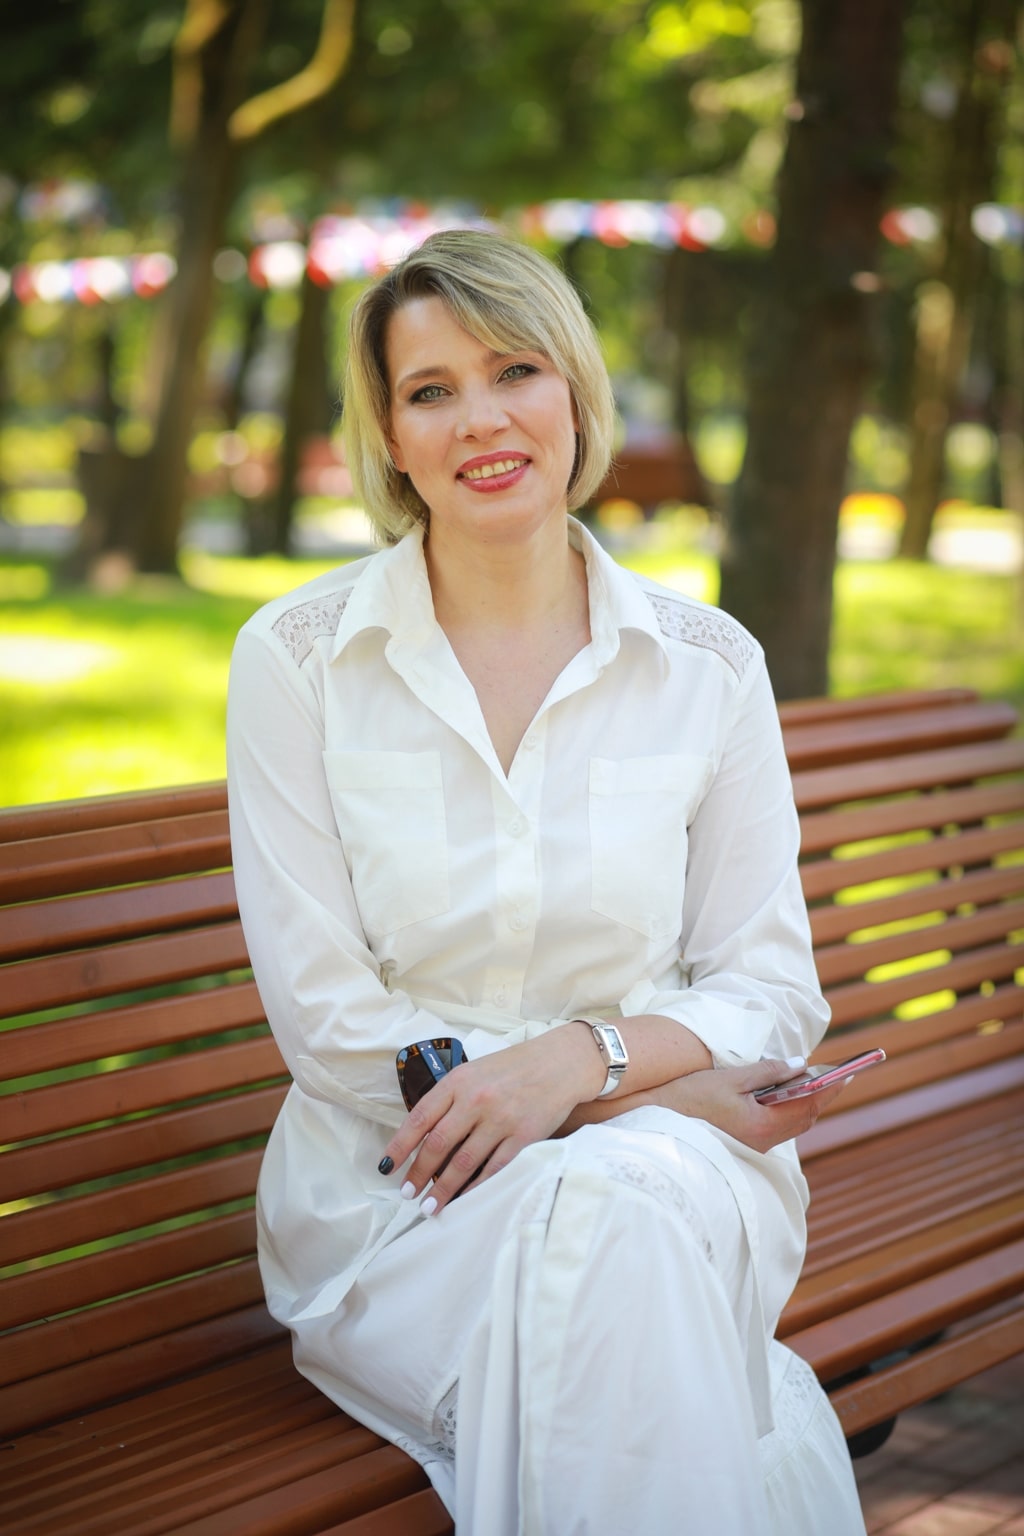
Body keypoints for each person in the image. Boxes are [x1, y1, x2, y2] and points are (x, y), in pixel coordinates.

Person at [226, 228, 867, 1535]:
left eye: (515, 370)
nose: (482, 419)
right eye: (432, 389)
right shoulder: (298, 661)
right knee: (613, 1231)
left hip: (683, 1169)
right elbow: (329, 1021)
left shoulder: (708, 666)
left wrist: (582, 1063)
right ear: (390, 436)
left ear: (574, 391)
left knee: (619, 1216)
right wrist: (619, 1097)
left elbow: (769, 986)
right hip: (401, 1200)